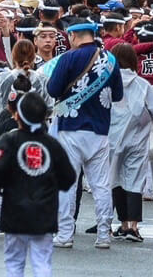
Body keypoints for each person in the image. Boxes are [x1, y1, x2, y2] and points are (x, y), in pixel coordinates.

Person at [45, 17, 123, 249]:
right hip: (100, 129)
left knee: (68, 183)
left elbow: (53, 89)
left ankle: (65, 234)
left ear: (73, 35)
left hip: (70, 127)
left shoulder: (68, 57)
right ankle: (103, 234)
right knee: (100, 185)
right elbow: (117, 95)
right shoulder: (111, 59)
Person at [0, 90, 77, 277]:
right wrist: (53, 186)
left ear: (17, 116)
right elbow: (69, 177)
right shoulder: (52, 145)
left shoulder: (9, 140)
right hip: (44, 212)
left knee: (14, 262)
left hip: (14, 211)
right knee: (42, 262)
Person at [108, 42, 153, 242]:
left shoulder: (106, 82)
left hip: (111, 139)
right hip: (137, 139)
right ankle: (133, 226)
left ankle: (121, 224)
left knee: (115, 179)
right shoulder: (142, 84)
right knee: (134, 180)